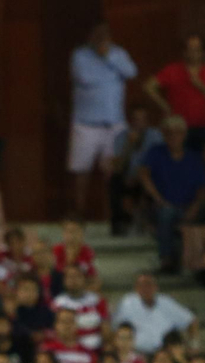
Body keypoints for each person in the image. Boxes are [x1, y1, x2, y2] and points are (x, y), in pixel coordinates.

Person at [70, 23, 137, 218]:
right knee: (81, 172)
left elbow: (131, 72)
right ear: (90, 36)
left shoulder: (118, 53)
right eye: (97, 35)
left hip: (114, 123)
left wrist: (108, 56)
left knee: (113, 173)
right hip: (86, 124)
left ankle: (112, 215)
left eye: (104, 35)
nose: (101, 39)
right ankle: (79, 214)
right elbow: (85, 78)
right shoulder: (80, 55)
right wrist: (111, 72)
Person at [139, 116, 205, 271]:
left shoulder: (193, 157)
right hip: (162, 205)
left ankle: (197, 265)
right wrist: (157, 198)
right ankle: (166, 259)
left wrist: (194, 208)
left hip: (189, 206)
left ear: (184, 135)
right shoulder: (156, 152)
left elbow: (203, 188)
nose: (173, 137)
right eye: (169, 133)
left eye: (178, 133)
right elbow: (144, 175)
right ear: (164, 135)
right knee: (166, 213)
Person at [144, 34, 205, 149]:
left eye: (197, 49)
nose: (193, 52)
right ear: (184, 51)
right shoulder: (172, 70)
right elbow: (148, 86)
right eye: (190, 49)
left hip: (202, 128)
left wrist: (202, 87)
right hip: (177, 129)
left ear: (203, 52)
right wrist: (164, 106)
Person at [113, 270, 197, 353]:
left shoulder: (167, 302)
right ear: (136, 288)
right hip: (136, 352)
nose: (146, 288)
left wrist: (193, 346)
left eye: (149, 284)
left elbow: (191, 321)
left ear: (156, 287)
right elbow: (115, 328)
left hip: (165, 353)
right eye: (142, 285)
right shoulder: (127, 303)